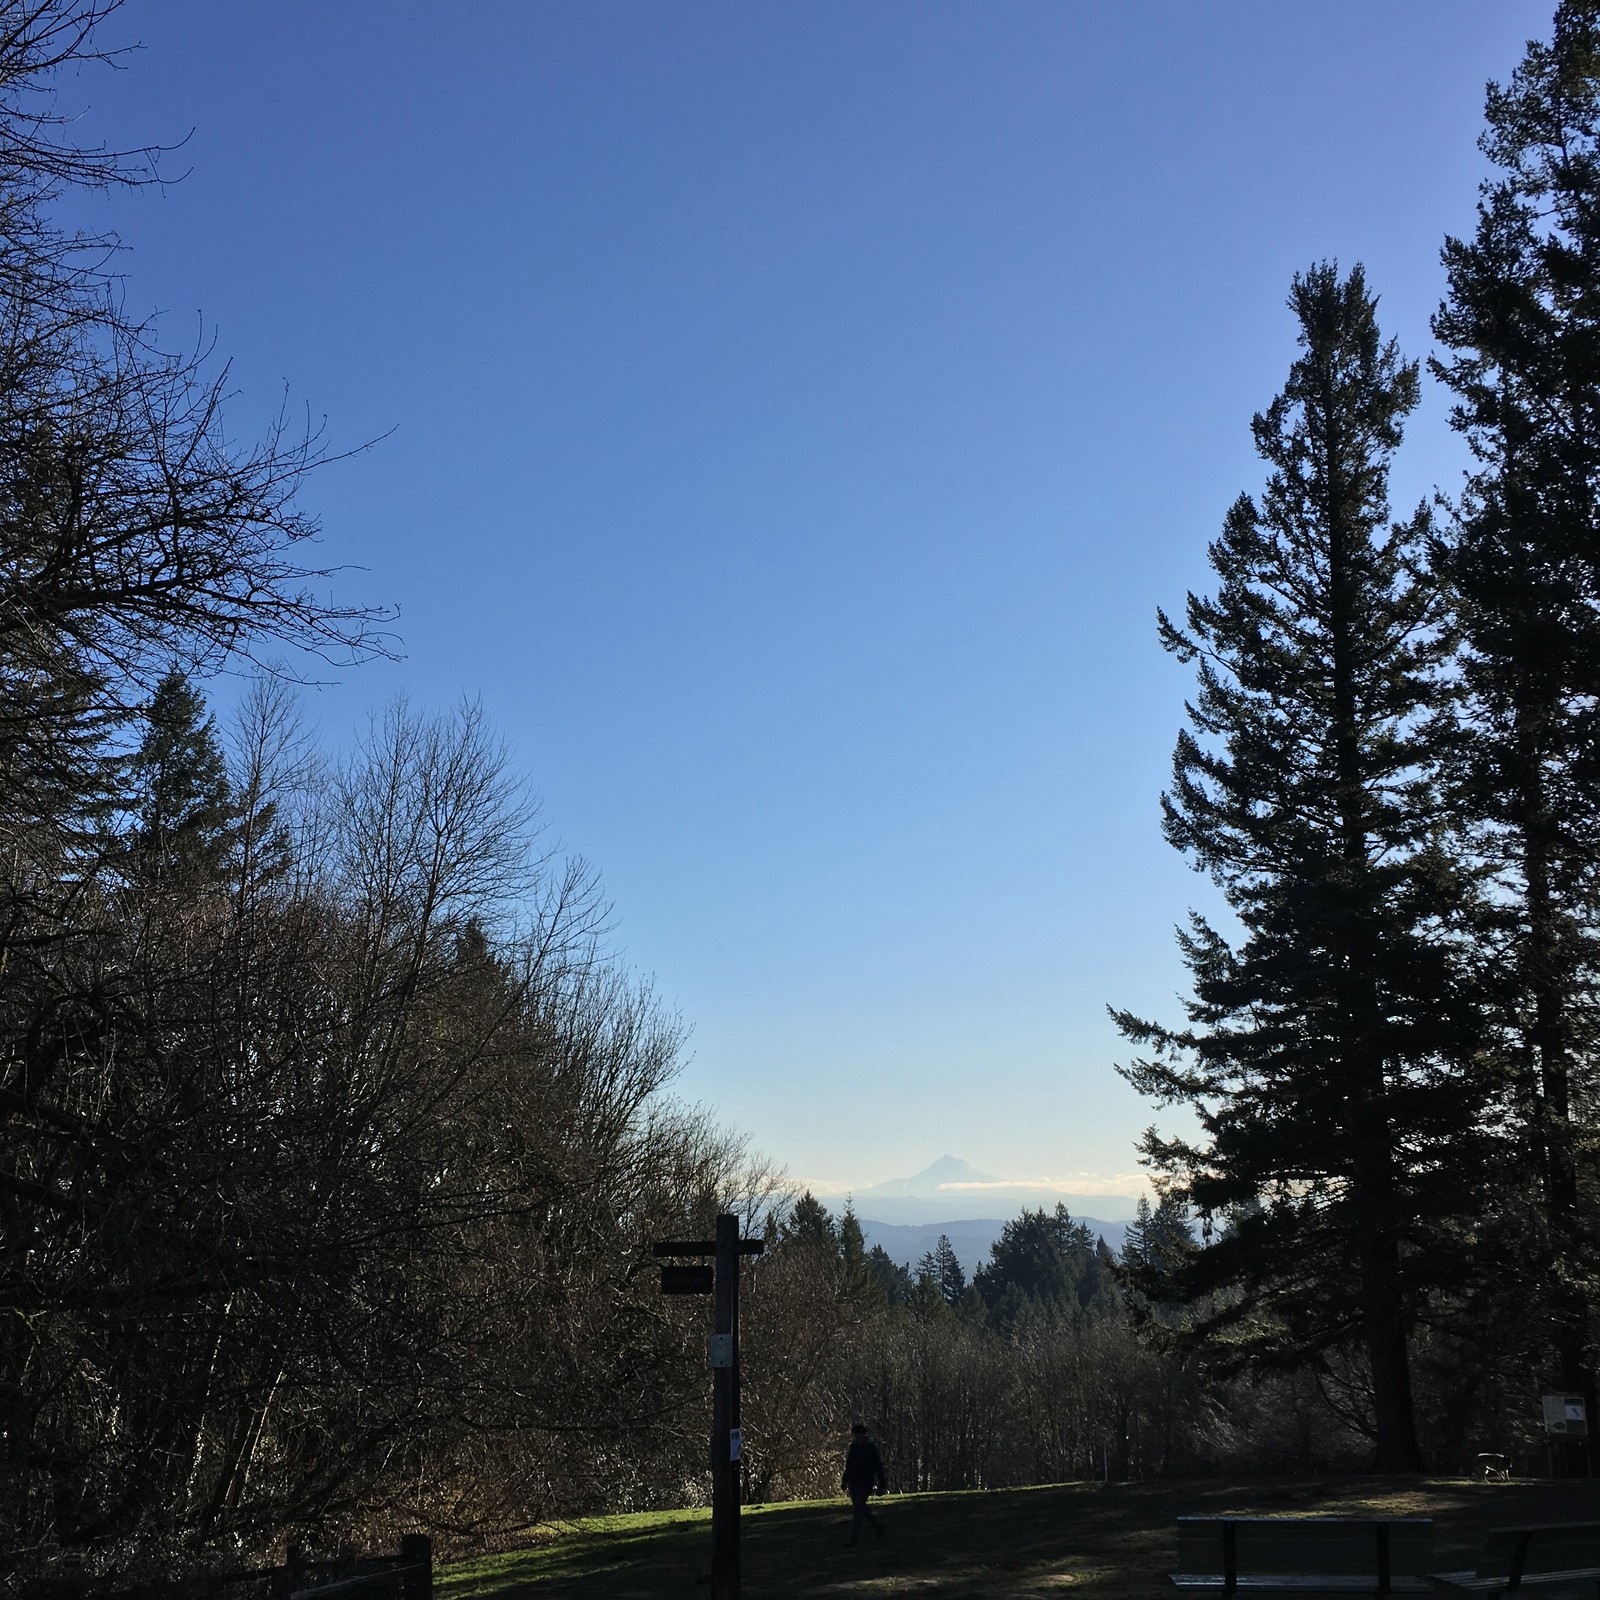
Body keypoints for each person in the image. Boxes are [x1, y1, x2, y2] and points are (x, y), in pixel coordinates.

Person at [840, 1421, 887, 1545]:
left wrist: (882, 1483)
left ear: (863, 1435)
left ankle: (854, 1537)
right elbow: (849, 1465)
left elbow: (878, 1466)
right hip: (854, 1482)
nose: (856, 1438)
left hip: (866, 1481)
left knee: (858, 1509)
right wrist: (845, 1480)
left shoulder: (871, 1448)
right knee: (861, 1508)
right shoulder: (853, 1447)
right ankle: (877, 1526)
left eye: (858, 1436)